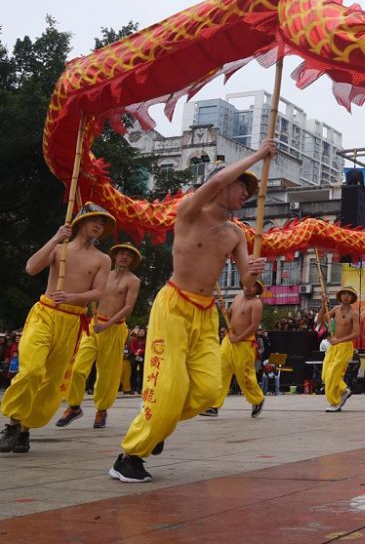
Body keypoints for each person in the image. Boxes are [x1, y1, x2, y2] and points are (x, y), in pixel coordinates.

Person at [108, 142, 272, 483]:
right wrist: (258, 155)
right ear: (222, 184)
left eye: (248, 190)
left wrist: (253, 271)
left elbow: (246, 282)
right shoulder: (190, 211)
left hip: (206, 314)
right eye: (242, 186)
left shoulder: (236, 234)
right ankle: (128, 458)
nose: (246, 194)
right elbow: (214, 182)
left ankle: (159, 423)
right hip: (174, 306)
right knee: (168, 389)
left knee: (209, 391)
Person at [1, 203, 114, 454]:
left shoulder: (103, 259)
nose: (99, 225)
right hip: (45, 314)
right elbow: (31, 268)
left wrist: (74, 298)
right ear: (80, 222)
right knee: (32, 370)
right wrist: (55, 238)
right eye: (94, 220)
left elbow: (99, 292)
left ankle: (25, 429)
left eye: (103, 223)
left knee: (51, 381)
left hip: (72, 321)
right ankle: (12, 424)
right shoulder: (59, 248)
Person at [57, 243, 142, 430]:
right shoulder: (104, 275)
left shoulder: (133, 280)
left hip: (114, 329)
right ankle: (74, 406)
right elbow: (89, 293)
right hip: (94, 326)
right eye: (121, 253)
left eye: (128, 255)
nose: (124, 257)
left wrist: (107, 325)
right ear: (115, 256)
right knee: (78, 368)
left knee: (107, 374)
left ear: (132, 260)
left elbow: (128, 307)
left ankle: (102, 410)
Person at [202, 279, 266, 418]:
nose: (249, 288)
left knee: (245, 376)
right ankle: (214, 406)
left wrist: (239, 338)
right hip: (228, 341)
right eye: (247, 284)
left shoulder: (256, 303)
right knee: (220, 372)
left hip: (244, 344)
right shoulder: (237, 298)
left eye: (253, 286)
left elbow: (254, 326)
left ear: (257, 289)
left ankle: (257, 399)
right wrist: (224, 310)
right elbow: (229, 316)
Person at [317, 285, 360, 412]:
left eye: (349, 294)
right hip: (333, 347)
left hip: (345, 347)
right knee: (325, 373)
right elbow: (320, 320)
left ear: (352, 298)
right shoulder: (335, 309)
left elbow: (356, 333)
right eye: (344, 294)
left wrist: (338, 340)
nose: (346, 296)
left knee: (333, 373)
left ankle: (335, 402)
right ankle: (344, 390)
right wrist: (323, 305)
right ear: (340, 297)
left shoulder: (354, 314)